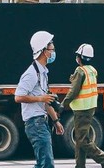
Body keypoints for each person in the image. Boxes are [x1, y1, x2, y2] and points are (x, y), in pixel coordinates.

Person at [15, 30, 64, 168]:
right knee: (47, 164)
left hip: (42, 122)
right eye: (51, 49)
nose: (53, 52)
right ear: (44, 51)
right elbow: (18, 97)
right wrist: (40, 97)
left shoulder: (42, 73)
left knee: (42, 163)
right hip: (35, 124)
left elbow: (45, 101)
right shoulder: (31, 74)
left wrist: (56, 121)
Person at [60, 44, 104, 168]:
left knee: (82, 140)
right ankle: (79, 165)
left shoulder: (80, 71)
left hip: (81, 109)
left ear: (80, 58)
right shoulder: (92, 70)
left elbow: (74, 91)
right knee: (81, 139)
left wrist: (63, 104)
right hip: (89, 107)